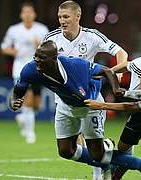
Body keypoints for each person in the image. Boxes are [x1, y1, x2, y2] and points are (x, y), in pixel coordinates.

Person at [9, 40, 141, 180]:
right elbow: (18, 92)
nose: (37, 60)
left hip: (91, 106)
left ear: (54, 59)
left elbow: (106, 71)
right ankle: (108, 159)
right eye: (36, 56)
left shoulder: (75, 66)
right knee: (66, 151)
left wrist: (116, 89)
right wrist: (14, 101)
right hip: (65, 105)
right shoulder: (30, 69)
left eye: (41, 57)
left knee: (98, 155)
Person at [43, 1, 128, 179]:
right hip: (64, 101)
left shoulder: (92, 36)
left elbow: (121, 52)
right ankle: (105, 160)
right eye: (60, 17)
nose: (62, 21)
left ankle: (105, 159)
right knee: (66, 150)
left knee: (95, 150)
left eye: (66, 17)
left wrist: (115, 72)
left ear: (77, 16)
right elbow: (41, 63)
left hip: (90, 99)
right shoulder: (52, 39)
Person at [1, 2, 49, 144]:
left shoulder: (42, 29)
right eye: (25, 12)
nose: (27, 15)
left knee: (37, 104)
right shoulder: (14, 30)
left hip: (38, 68)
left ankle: (23, 118)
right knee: (27, 99)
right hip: (20, 69)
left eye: (30, 12)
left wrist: (39, 46)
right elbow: (4, 48)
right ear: (21, 15)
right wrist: (13, 51)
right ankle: (30, 133)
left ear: (34, 14)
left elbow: (50, 49)